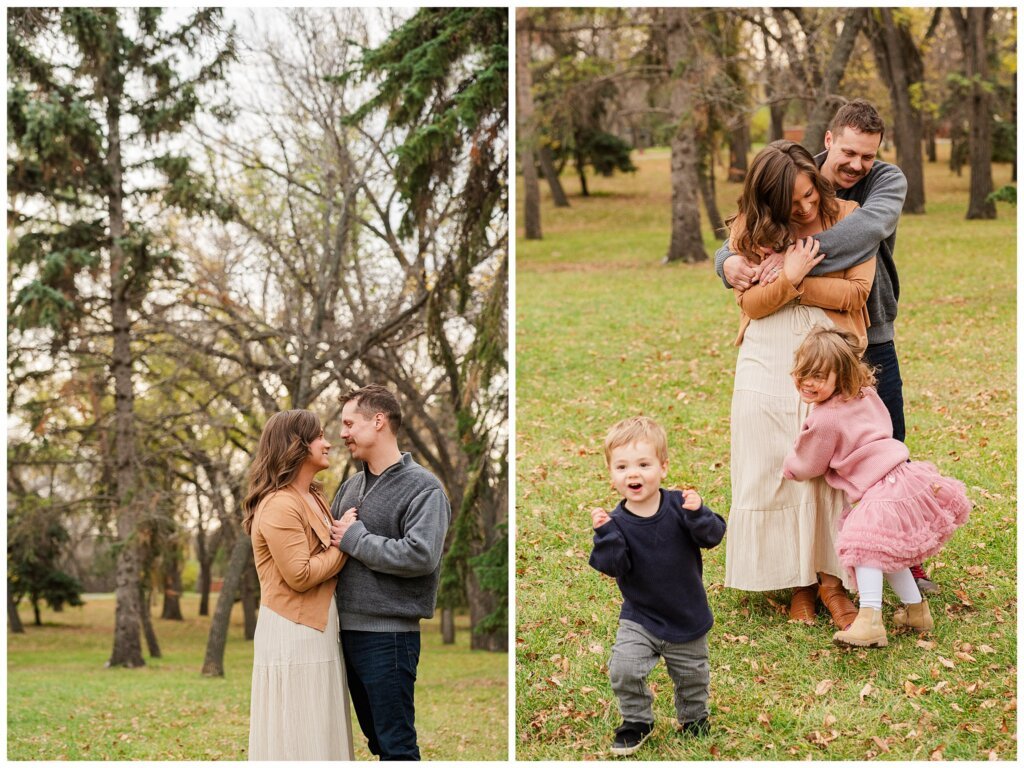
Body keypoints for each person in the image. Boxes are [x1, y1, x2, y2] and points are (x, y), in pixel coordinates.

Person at [716, 100, 937, 595]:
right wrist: (726, 260)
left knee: (885, 450)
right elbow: (746, 230)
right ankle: (821, 571)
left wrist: (790, 266)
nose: (857, 164)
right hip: (806, 345)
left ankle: (904, 558)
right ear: (829, 141)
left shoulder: (885, 183)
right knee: (819, 455)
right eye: (849, 152)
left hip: (871, 333)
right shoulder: (793, 177)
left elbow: (863, 233)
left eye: (868, 155)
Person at [722, 139, 874, 631]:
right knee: (775, 458)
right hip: (766, 351)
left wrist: (795, 279)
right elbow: (750, 303)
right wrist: (782, 279)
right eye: (793, 204)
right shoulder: (753, 227)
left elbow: (857, 292)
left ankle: (832, 581)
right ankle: (798, 582)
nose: (806, 208)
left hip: (828, 346)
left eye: (810, 195)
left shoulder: (850, 216)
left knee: (827, 457)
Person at [782, 327, 970, 647]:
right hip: (904, 476)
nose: (807, 383)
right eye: (802, 374)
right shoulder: (865, 394)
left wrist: (789, 468)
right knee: (887, 551)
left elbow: (809, 462)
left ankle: (870, 620)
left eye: (818, 376)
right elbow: (883, 424)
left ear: (841, 375)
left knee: (864, 549)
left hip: (881, 490)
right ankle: (916, 611)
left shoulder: (824, 419)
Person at [588, 416, 726, 756]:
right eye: (622, 466)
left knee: (692, 677)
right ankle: (637, 720)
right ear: (611, 474)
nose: (632, 474)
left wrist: (699, 513)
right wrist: (605, 536)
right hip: (641, 616)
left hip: (687, 613)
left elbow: (713, 536)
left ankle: (694, 719)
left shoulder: (680, 506)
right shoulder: (616, 523)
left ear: (663, 467)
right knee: (623, 669)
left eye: (643, 464)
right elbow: (612, 566)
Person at [328, 384, 451, 761]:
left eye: (350, 423)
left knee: (397, 746)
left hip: (389, 637)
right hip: (344, 632)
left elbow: (421, 555)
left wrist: (355, 538)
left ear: (378, 421)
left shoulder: (423, 488)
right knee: (377, 742)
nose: (343, 433)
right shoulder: (350, 487)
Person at [243, 409, 356, 761]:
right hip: (292, 632)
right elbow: (300, 574)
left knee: (321, 725)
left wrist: (340, 536)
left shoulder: (314, 496)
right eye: (319, 436)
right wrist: (345, 544)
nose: (328, 442)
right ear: (297, 445)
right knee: (299, 729)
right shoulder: (279, 503)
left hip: (319, 628)